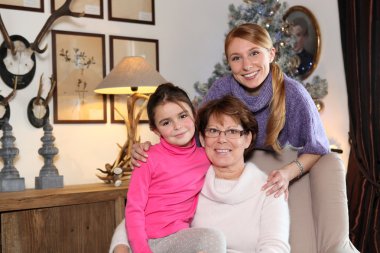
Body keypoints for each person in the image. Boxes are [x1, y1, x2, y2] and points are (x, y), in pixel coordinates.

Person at [130, 23, 329, 199]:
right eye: (236, 58)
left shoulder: (293, 93)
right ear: (229, 63)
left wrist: (287, 173)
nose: (247, 65)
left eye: (254, 53)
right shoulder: (221, 89)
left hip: (277, 171)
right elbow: (192, 135)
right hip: (225, 172)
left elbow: (317, 147)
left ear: (271, 54)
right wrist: (151, 151)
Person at [110, 95, 291, 253]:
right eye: (213, 131)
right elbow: (139, 216)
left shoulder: (270, 188)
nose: (222, 139)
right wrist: (121, 247)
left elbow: (274, 248)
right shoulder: (193, 175)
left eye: (233, 131)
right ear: (202, 139)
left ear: (248, 138)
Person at [124, 83, 226, 253]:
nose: (177, 126)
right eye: (166, 122)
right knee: (213, 238)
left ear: (194, 113)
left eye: (182, 116)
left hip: (183, 237)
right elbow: (134, 208)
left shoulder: (207, 156)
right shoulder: (147, 157)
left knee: (211, 239)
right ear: (155, 130)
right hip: (152, 241)